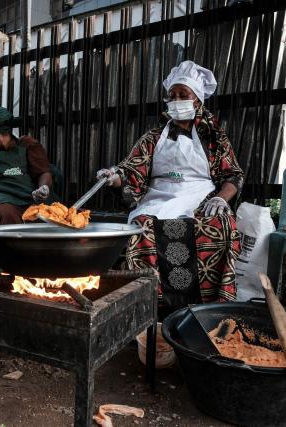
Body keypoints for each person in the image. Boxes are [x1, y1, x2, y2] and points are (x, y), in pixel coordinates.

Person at [96, 60, 244, 317]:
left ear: (197, 99)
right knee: (141, 227)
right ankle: (149, 307)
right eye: (172, 95)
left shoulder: (214, 138)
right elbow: (131, 171)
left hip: (200, 196)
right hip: (159, 196)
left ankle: (209, 308)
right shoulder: (153, 137)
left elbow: (233, 175)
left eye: (183, 95)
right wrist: (113, 176)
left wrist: (221, 199)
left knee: (221, 226)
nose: (176, 100)